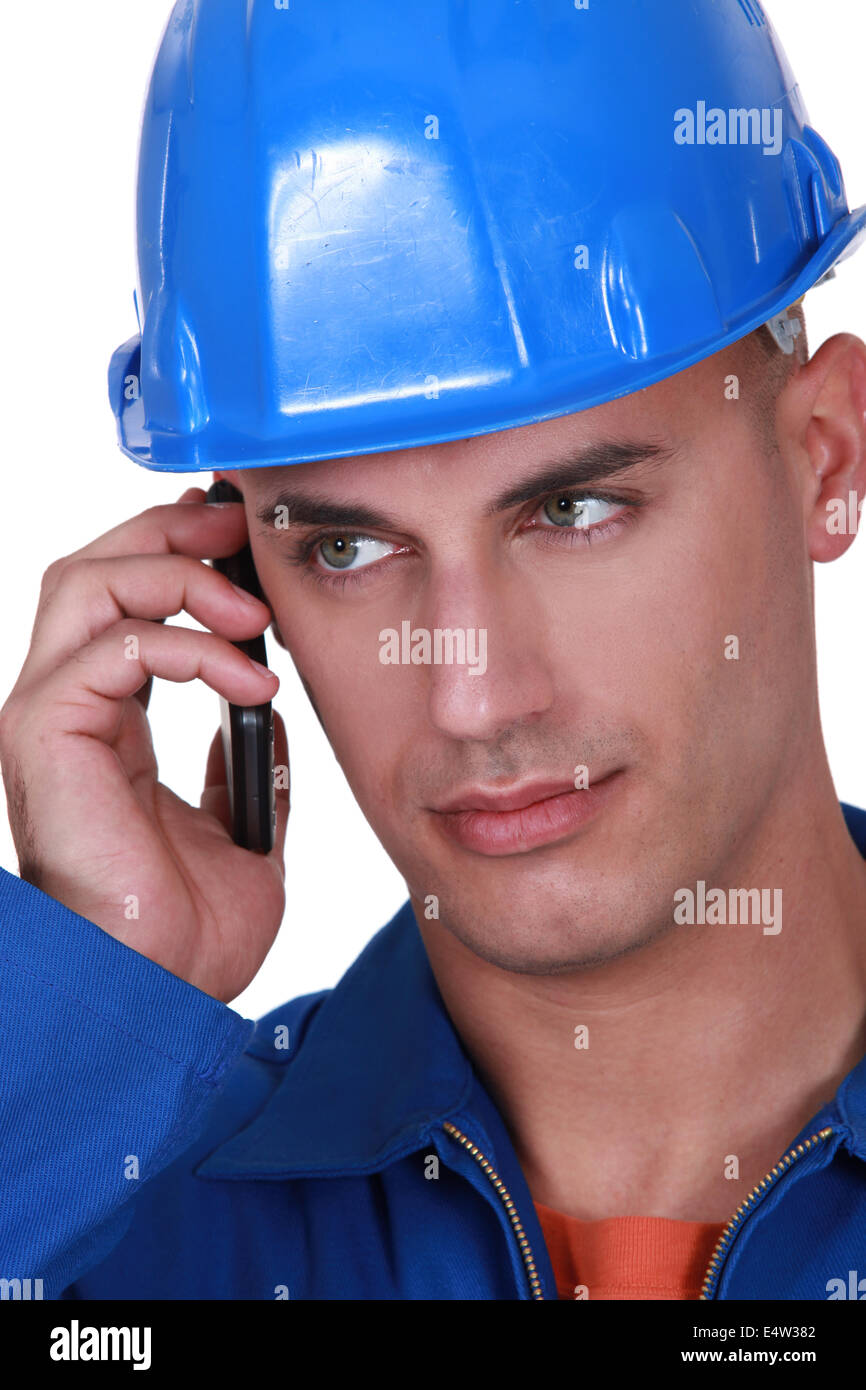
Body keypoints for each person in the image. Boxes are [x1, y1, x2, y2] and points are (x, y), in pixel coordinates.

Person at [2, 0, 866, 1302]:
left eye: (572, 510)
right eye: (344, 549)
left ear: (824, 458)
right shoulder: (116, 1231)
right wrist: (83, 1023)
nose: (472, 694)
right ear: (234, 578)